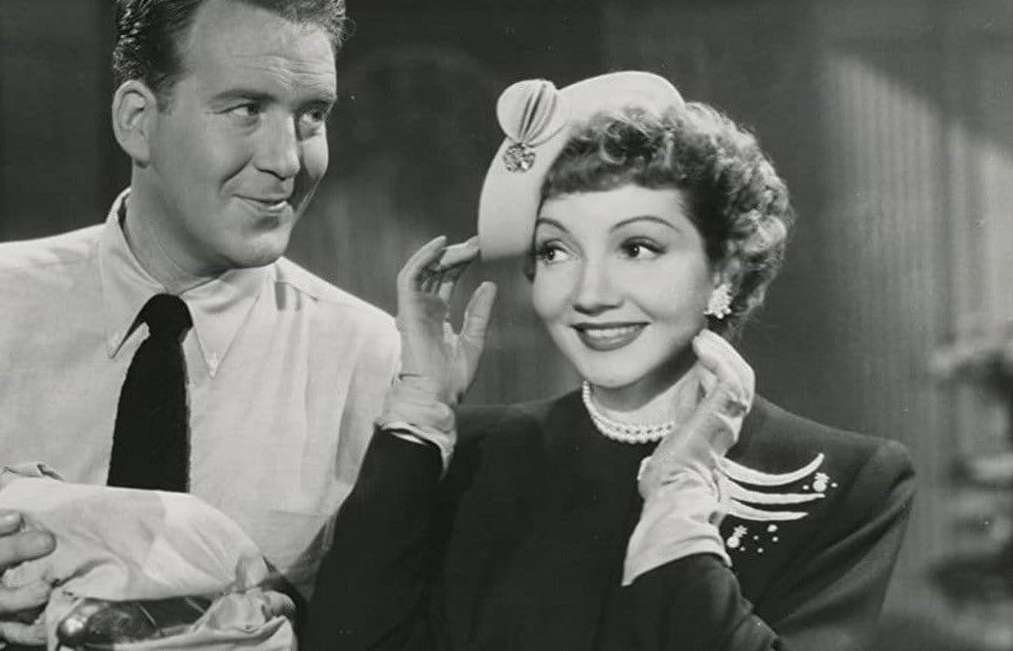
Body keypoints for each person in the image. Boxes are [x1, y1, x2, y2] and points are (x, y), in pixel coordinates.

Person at [0, 0, 401, 649]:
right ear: (138, 121)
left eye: (312, 115)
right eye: (247, 109)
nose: (287, 160)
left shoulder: (364, 355)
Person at [303, 72, 916, 650]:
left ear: (725, 268)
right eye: (556, 251)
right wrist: (419, 412)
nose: (589, 294)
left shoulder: (845, 478)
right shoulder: (472, 453)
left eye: (638, 247)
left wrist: (679, 490)